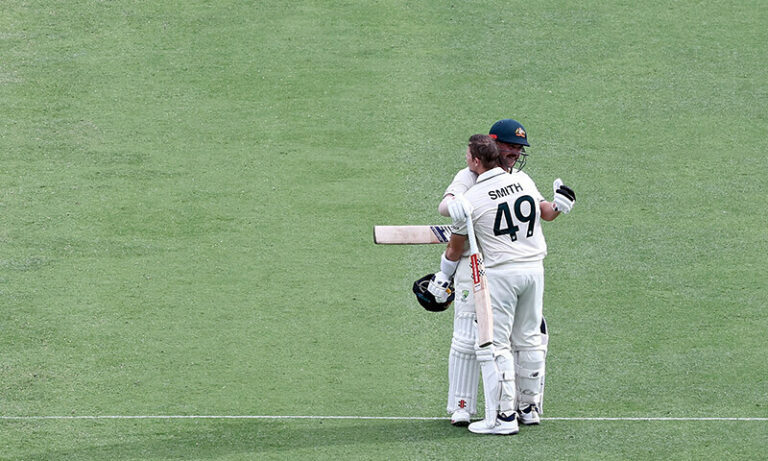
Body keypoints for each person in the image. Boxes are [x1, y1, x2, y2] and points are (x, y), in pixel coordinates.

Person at [429, 133, 575, 434]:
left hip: (498, 273)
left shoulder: (474, 198)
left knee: (496, 345)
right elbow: (542, 211)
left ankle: (504, 417)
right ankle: (522, 409)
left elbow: (455, 245)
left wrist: (442, 275)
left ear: (476, 160)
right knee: (528, 338)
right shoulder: (522, 182)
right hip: (533, 269)